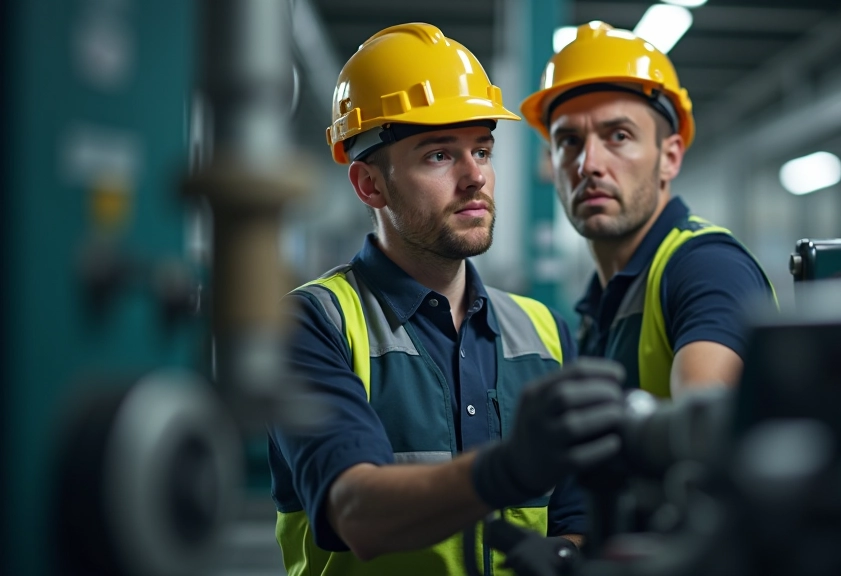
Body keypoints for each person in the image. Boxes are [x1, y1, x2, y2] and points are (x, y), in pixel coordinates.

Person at [267, 23, 626, 576]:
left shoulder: (545, 331)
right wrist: (505, 469)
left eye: (481, 150)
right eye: (439, 155)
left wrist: (563, 557)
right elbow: (355, 511)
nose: (474, 177)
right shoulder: (314, 324)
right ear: (370, 185)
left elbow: (573, 516)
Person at [520, 22, 776, 399]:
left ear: (669, 158)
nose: (588, 163)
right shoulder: (599, 304)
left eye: (619, 136)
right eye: (570, 141)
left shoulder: (707, 268)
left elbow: (704, 427)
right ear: (551, 162)